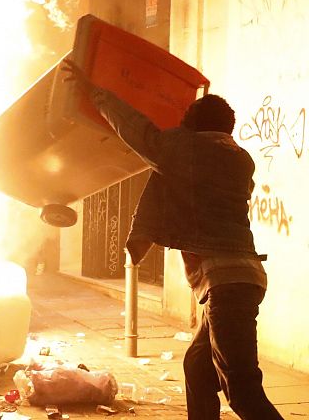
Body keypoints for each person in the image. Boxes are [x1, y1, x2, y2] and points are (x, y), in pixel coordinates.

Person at [62, 60, 281, 420]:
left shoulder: (187, 153)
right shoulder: (240, 159)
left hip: (225, 285)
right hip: (245, 277)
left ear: (192, 127)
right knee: (197, 368)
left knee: (242, 390)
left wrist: (95, 92)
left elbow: (138, 131)